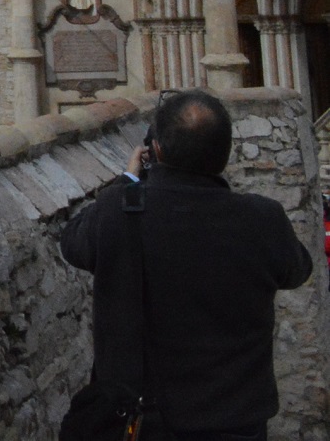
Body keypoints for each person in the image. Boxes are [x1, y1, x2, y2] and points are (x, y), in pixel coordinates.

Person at [60, 90, 312, 441]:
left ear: (157, 149)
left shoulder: (118, 210)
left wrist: (129, 181)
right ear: (224, 155)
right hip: (236, 420)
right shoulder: (262, 219)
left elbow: (72, 245)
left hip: (143, 422)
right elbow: (298, 270)